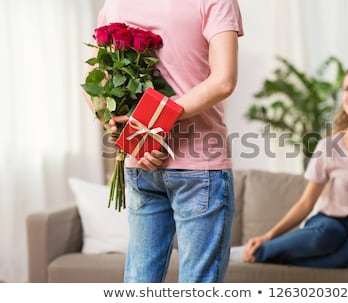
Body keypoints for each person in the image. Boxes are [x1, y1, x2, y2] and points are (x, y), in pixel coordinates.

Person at [88, 0, 244, 282]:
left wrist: (117, 122)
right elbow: (223, 81)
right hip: (199, 165)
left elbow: (95, 80)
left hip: (141, 159)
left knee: (140, 283)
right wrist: (152, 124)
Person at [243, 65, 348, 268]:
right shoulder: (329, 145)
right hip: (329, 223)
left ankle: (273, 258)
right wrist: (268, 235)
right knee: (328, 235)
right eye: (347, 88)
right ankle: (260, 251)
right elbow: (306, 203)